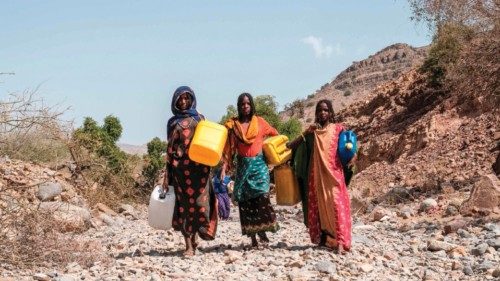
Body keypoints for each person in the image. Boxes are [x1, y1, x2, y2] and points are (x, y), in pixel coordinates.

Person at [286, 99, 355, 253]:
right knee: (321, 208)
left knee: (337, 206)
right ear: (316, 113)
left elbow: (350, 146)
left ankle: (341, 243)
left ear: (330, 112)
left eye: (326, 110)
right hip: (316, 177)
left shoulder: (338, 130)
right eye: (320, 110)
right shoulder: (313, 133)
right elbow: (290, 146)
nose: (323, 113)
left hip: (334, 175)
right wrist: (305, 133)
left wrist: (352, 157)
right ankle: (326, 239)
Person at [162, 86, 217, 256]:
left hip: (200, 170)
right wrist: (166, 175)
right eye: (180, 99)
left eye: (187, 98)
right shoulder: (172, 123)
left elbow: (209, 142)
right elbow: (169, 149)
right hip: (181, 172)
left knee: (201, 205)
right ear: (176, 101)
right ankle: (188, 245)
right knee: (184, 206)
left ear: (192, 99)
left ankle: (198, 235)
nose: (184, 101)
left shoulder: (200, 119)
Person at [221, 93, 280, 248]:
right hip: (243, 166)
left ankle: (264, 233)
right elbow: (228, 147)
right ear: (239, 107)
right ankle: (253, 238)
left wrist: (272, 151)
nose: (245, 106)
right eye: (242, 104)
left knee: (262, 197)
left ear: (252, 105)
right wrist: (224, 167)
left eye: (247, 103)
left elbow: (275, 135)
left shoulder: (260, 122)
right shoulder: (234, 126)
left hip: (259, 166)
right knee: (246, 202)